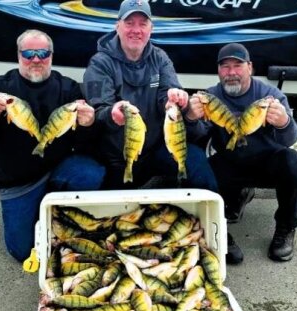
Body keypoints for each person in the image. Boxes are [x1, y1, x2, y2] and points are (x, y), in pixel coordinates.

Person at [0, 29, 105, 262]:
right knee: (22, 251)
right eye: (28, 53)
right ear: (19, 56)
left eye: (42, 53)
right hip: (18, 182)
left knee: (91, 172)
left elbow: (87, 140)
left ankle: (58, 209)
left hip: (57, 170)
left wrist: (89, 123)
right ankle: (32, 209)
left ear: (51, 56)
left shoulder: (68, 88)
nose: (35, 59)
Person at [186, 42, 297, 264]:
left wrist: (284, 123)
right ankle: (219, 230)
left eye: (237, 65)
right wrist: (191, 118)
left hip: (267, 163)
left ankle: (286, 227)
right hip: (231, 161)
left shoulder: (270, 95)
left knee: (293, 162)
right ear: (218, 71)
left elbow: (291, 139)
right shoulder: (210, 97)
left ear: (250, 67)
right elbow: (197, 137)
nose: (231, 72)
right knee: (198, 172)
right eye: (225, 67)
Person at [83, 0, 218, 191]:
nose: (136, 30)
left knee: (195, 161)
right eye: (129, 23)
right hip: (115, 158)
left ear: (151, 28)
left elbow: (168, 92)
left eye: (142, 23)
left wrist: (175, 98)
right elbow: (97, 111)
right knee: (118, 214)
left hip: (156, 150)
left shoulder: (160, 58)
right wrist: (111, 114)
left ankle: (212, 215)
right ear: (117, 26)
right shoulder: (99, 63)